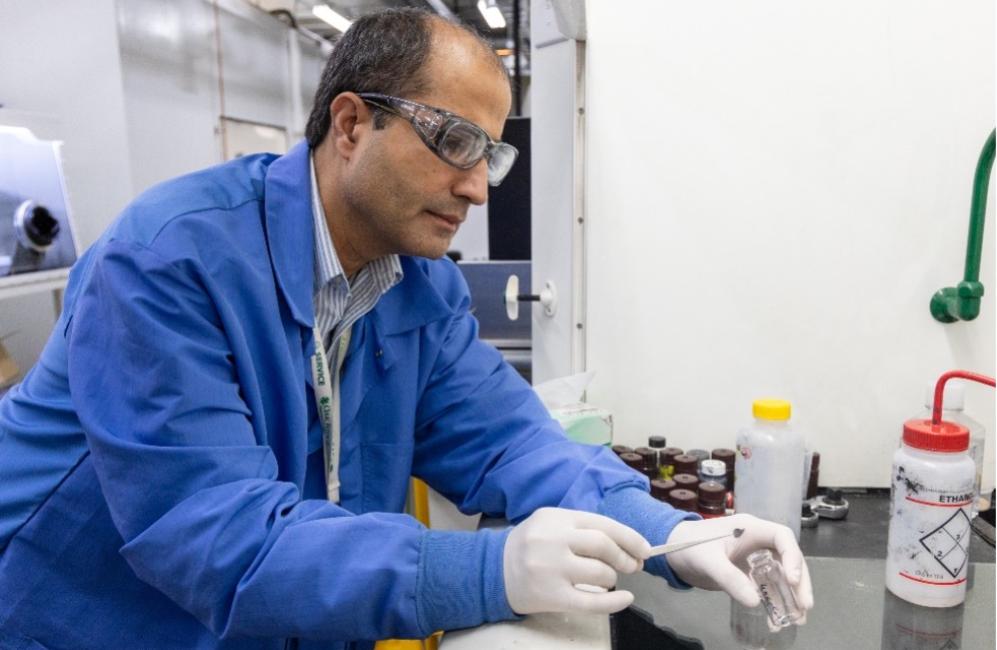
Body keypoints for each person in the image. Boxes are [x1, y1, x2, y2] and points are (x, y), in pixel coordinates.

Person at [0, 9, 812, 649]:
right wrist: (493, 569)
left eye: (489, 155)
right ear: (351, 125)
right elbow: (220, 541)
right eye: (455, 142)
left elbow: (510, 445)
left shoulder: (416, 286)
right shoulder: (165, 264)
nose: (477, 189)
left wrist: (676, 533)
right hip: (89, 623)